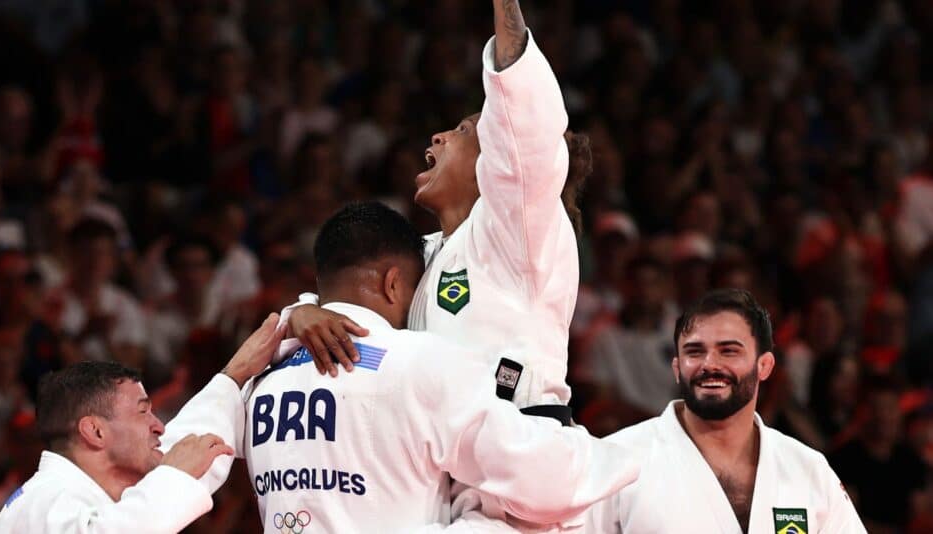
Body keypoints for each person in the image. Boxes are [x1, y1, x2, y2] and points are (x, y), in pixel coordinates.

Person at [285, 2, 589, 527]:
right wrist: (303, 311)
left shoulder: (520, 228)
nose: (438, 138)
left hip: (520, 478)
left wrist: (504, 9)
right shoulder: (424, 254)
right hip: (445, 482)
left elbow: (530, 135)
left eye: (463, 131)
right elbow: (357, 294)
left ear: (496, 156)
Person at [244, 202, 638, 531]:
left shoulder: (256, 378)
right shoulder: (421, 361)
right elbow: (541, 477)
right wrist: (624, 457)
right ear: (393, 284)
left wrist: (296, 311)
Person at [584, 289, 865, 533]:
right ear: (677, 368)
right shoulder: (618, 461)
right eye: (694, 352)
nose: (710, 364)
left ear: (764, 366)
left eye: (728, 351)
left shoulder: (808, 469)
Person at [0, 313, 286, 533]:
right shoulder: (43, 503)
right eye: (143, 412)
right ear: (95, 431)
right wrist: (174, 474)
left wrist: (233, 376)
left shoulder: (97, 496)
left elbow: (180, 449)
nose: (158, 426)